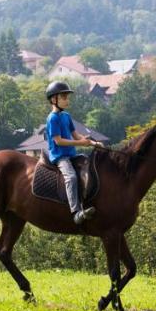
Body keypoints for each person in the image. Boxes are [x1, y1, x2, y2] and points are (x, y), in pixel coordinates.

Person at [44, 81, 99, 224]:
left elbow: (76, 135)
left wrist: (93, 143)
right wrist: (80, 143)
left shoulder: (66, 116)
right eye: (64, 97)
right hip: (60, 156)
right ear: (53, 99)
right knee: (71, 177)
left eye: (67, 97)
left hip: (71, 154)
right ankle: (75, 212)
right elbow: (58, 141)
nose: (67, 100)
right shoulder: (52, 118)